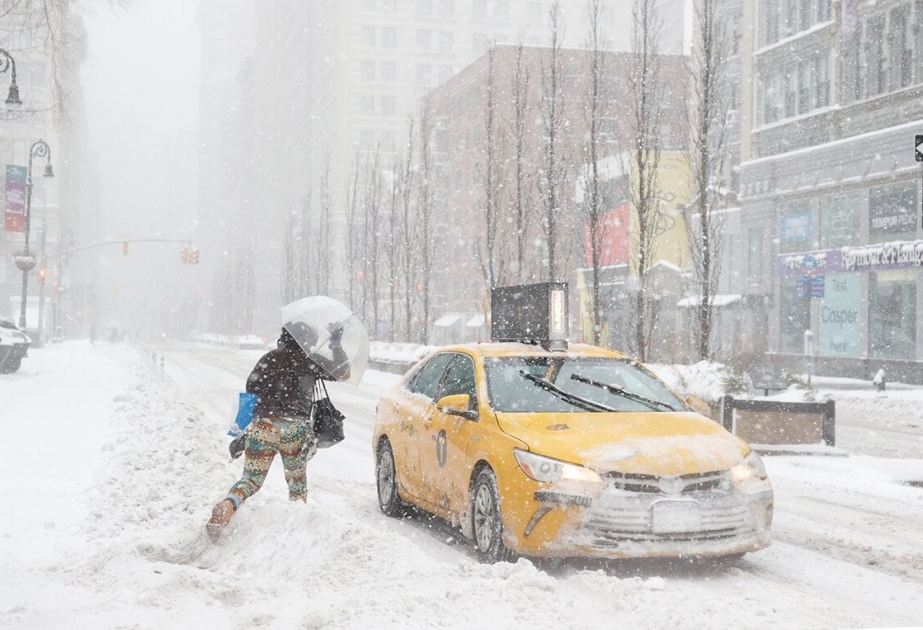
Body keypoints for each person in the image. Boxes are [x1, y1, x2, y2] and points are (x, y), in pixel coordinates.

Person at [207, 321, 349, 540]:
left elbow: (251, 389)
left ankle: (228, 505)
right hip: (295, 429)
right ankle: (295, 533)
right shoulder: (309, 361)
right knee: (296, 484)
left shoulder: (268, 359)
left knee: (251, 479)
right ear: (306, 341)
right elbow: (343, 372)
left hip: (263, 426)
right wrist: (335, 343)